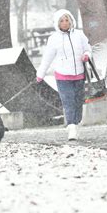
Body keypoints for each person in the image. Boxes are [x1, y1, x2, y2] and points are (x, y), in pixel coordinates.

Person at [36, 9, 92, 141]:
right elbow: (47, 58)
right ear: (57, 23)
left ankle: (76, 123)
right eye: (62, 21)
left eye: (67, 20)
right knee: (68, 102)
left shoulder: (79, 35)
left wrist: (87, 55)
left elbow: (88, 49)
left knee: (78, 102)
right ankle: (71, 127)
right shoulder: (53, 39)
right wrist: (41, 73)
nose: (65, 23)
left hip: (79, 74)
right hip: (62, 76)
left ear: (71, 20)